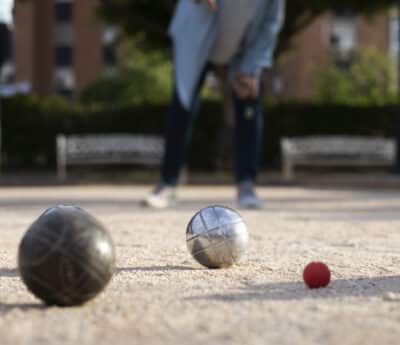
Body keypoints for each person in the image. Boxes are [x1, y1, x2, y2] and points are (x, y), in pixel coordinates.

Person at [143, 0, 285, 209]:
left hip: (241, 48)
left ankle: (247, 185)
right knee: (181, 108)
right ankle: (167, 184)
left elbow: (270, 25)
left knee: (249, 107)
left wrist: (252, 67)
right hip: (195, 40)